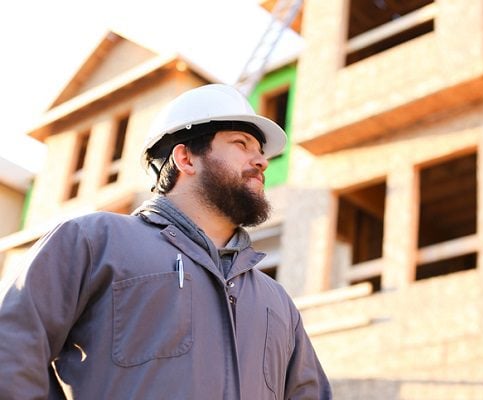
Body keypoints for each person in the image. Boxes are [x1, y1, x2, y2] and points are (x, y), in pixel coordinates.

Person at [0, 84, 332, 399]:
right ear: (185, 159)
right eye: (241, 144)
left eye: (261, 153)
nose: (261, 162)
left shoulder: (278, 302)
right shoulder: (94, 242)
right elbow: (10, 351)